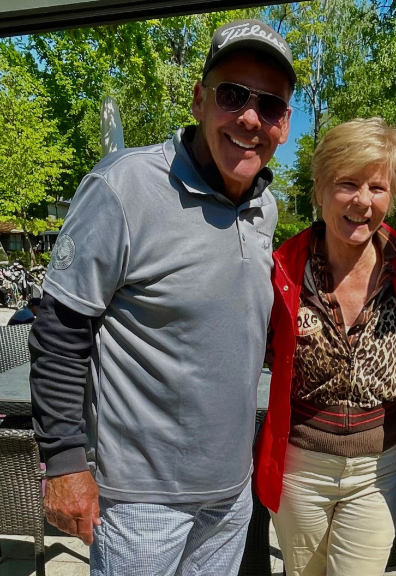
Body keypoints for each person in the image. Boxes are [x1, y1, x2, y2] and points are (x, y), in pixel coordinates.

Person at [29, 18, 295, 576]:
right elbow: (59, 332)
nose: (250, 118)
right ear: (199, 100)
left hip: (229, 493)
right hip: (138, 500)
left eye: (269, 105)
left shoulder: (265, 207)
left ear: (284, 124)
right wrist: (64, 462)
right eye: (233, 95)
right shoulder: (123, 186)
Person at [254, 117, 396, 576]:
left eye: (377, 187)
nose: (362, 200)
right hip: (300, 467)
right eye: (347, 183)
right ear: (320, 189)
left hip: (376, 471)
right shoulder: (282, 268)